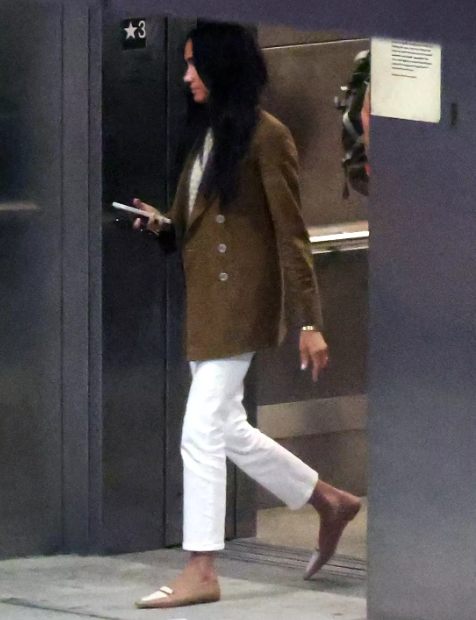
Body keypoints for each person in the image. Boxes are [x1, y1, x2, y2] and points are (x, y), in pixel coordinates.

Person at [133, 22, 361, 610]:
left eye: (195, 65)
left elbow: (292, 234)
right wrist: (163, 225)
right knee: (228, 427)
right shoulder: (207, 135)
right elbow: (197, 225)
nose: (187, 77)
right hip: (208, 304)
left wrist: (310, 321)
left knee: (200, 431)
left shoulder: (268, 137)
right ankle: (330, 501)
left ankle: (202, 568)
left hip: (242, 304)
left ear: (223, 68)